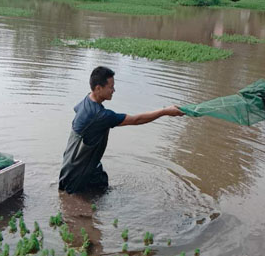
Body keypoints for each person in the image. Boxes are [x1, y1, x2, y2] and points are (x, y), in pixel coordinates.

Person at [59, 66, 184, 194]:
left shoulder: (86, 100)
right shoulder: (101, 116)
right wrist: (165, 111)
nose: (114, 90)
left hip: (76, 167)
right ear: (98, 88)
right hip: (76, 177)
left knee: (102, 191)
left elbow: (77, 112)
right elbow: (136, 120)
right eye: (111, 87)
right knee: (81, 208)